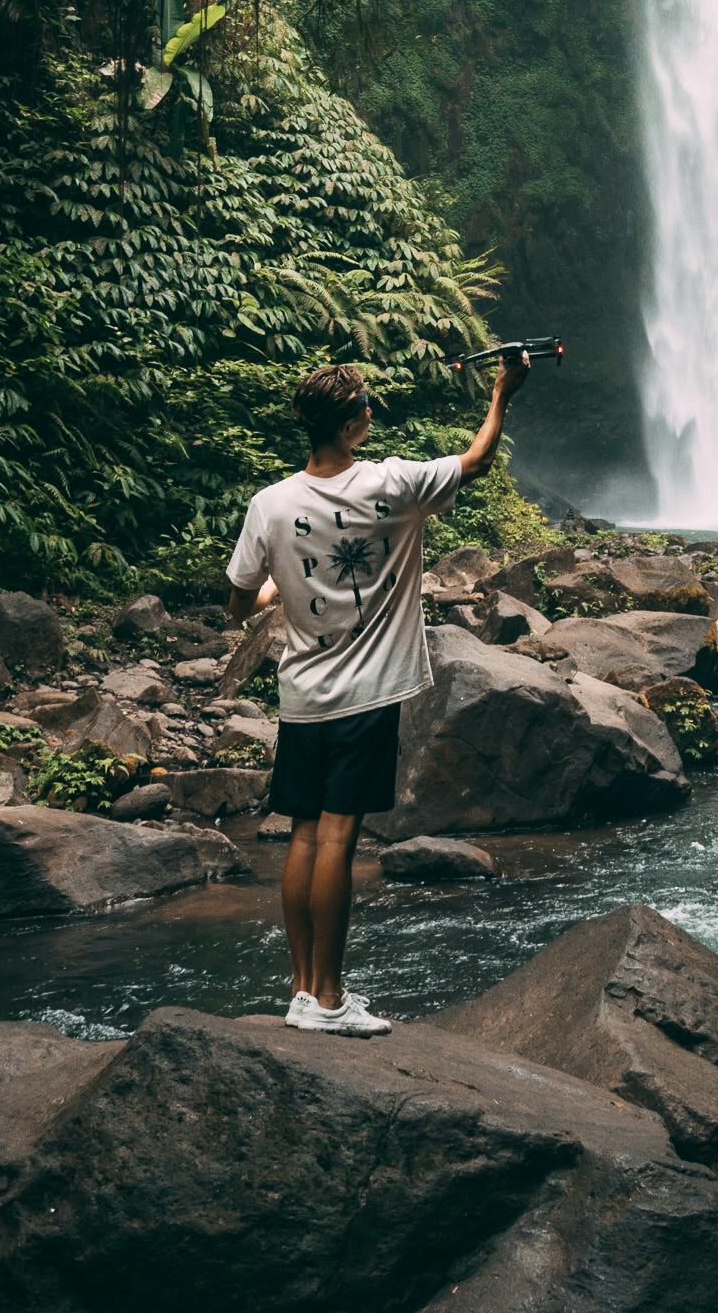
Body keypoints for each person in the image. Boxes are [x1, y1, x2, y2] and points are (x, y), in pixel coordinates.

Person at [225, 350, 527, 1034]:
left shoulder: (269, 505)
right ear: (352, 423)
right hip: (366, 694)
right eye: (366, 406)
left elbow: (240, 602)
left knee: (303, 835)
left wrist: (275, 586)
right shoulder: (392, 486)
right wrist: (503, 392)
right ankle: (328, 999)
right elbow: (475, 461)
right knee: (338, 838)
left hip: (302, 694)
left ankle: (303, 990)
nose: (371, 414)